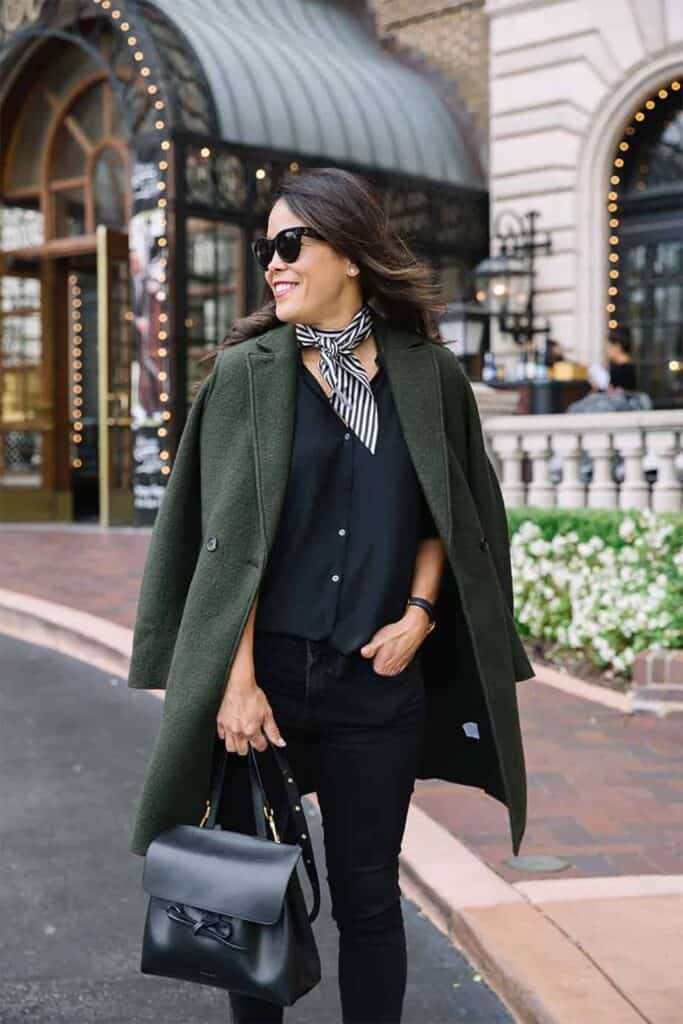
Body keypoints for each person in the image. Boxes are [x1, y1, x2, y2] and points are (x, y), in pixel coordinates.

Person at [126, 166, 533, 1024]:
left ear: (347, 251)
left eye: (288, 245)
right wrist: (233, 684)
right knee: (248, 903)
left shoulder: (428, 377)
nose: (270, 264)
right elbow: (222, 542)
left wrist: (419, 619)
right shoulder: (245, 375)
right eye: (264, 250)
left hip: (374, 686)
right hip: (263, 683)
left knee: (369, 902)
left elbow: (446, 518)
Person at [606, 327, 638, 392]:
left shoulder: (624, 369)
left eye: (609, 347)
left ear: (618, 347)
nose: (607, 351)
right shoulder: (619, 367)